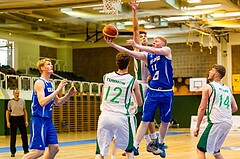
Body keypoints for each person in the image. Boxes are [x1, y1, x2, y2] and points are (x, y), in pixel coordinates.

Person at [104, 34, 174, 158]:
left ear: (163, 44)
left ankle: (161, 143)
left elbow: (153, 50)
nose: (154, 43)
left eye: (156, 41)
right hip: (152, 91)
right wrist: (112, 45)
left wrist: (137, 45)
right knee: (145, 119)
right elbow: (129, 52)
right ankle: (135, 146)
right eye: (153, 41)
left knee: (165, 121)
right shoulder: (148, 56)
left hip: (166, 92)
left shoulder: (167, 51)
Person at [21, 58, 76, 159]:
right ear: (42, 68)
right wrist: (58, 89)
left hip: (47, 120)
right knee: (38, 151)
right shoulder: (39, 83)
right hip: (39, 119)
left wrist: (68, 94)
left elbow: (58, 102)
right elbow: (42, 102)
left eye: (51, 64)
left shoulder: (50, 84)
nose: (51, 66)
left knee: (54, 147)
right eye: (48, 64)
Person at [95, 52, 142, 159]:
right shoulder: (132, 81)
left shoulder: (107, 77)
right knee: (129, 150)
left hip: (105, 116)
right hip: (121, 117)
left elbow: (102, 96)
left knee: (100, 152)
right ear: (129, 64)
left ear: (116, 63)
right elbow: (139, 103)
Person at [129, 1, 158, 153]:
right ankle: (143, 143)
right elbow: (135, 28)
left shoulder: (153, 52)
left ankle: (152, 141)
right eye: (141, 37)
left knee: (149, 116)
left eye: (145, 37)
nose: (143, 38)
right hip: (140, 85)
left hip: (152, 86)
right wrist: (134, 11)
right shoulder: (138, 49)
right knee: (142, 116)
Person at [194, 64, 238, 159]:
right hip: (228, 122)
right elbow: (235, 108)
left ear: (217, 74)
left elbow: (202, 107)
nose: (209, 72)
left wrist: (197, 126)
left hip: (216, 122)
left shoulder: (208, 87)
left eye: (212, 70)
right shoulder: (228, 89)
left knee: (200, 149)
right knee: (215, 150)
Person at [6, 89, 29, 157]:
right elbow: (7, 112)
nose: (17, 94)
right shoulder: (10, 102)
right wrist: (8, 121)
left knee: (24, 135)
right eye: (16, 93)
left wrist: (26, 120)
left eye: (18, 93)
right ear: (13, 94)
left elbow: (25, 111)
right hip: (13, 118)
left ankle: (26, 150)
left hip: (21, 118)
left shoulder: (22, 101)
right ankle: (13, 152)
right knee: (13, 136)